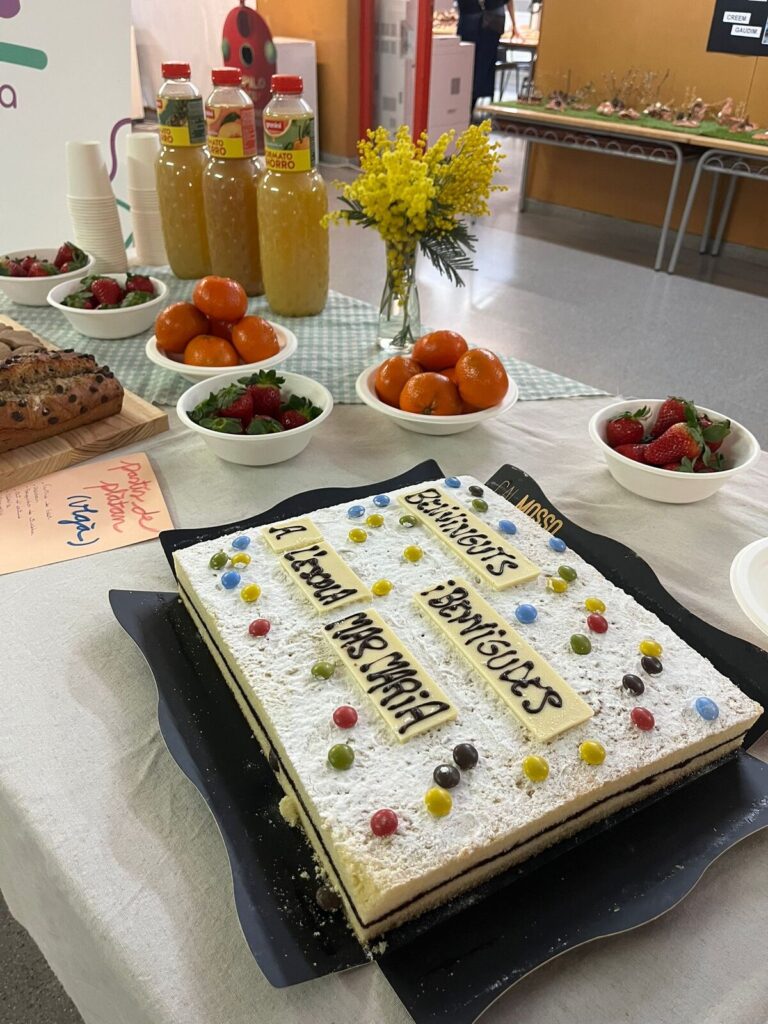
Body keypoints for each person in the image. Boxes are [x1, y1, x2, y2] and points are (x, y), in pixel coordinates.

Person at [456, 0, 518, 113]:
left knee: (470, 69)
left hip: (476, 21)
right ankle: (467, 108)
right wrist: (514, 24)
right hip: (491, 21)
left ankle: (465, 109)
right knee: (479, 70)